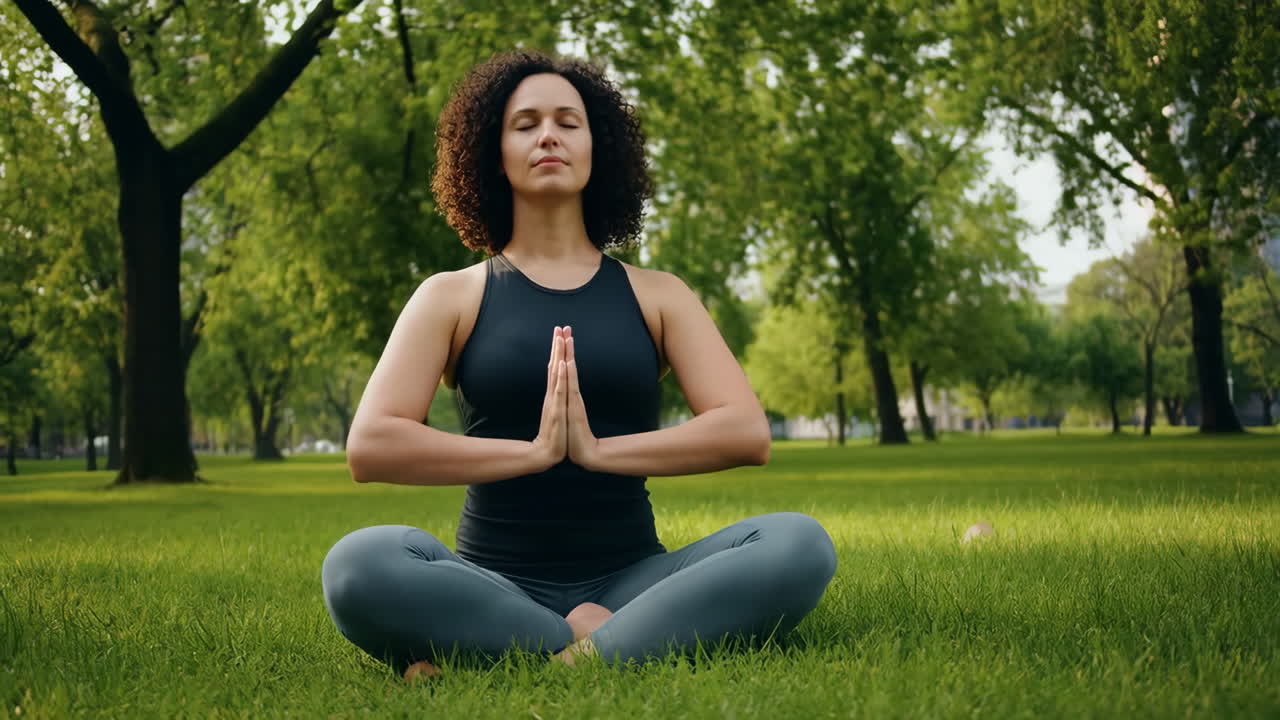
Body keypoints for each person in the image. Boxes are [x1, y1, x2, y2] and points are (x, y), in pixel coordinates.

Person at [320, 49, 837, 681]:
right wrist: (535, 452)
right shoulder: (450, 296)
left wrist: (596, 451)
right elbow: (371, 446)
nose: (548, 136)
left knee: (798, 542)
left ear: (598, 149)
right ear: (494, 151)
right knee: (358, 563)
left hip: (635, 582)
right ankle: (600, 643)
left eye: (569, 122)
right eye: (525, 123)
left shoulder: (659, 294)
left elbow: (745, 432)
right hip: (490, 583)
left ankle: (522, 655)